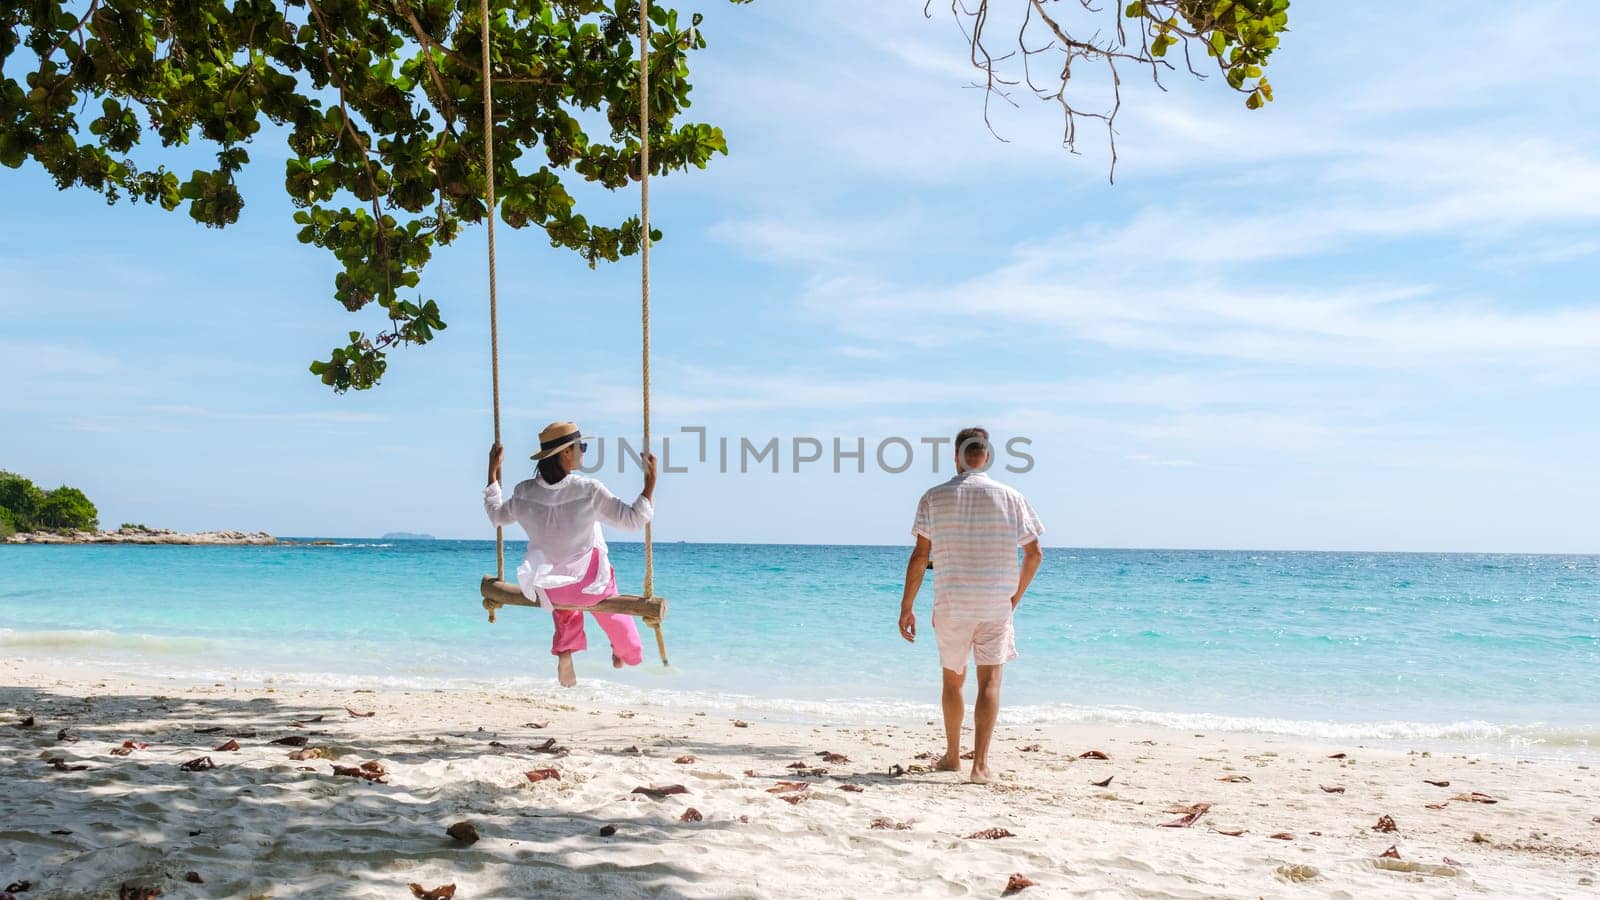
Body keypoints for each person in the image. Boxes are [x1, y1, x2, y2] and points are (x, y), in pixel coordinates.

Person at [898, 426, 1044, 784]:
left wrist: (907, 606)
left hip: (951, 602)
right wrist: (1015, 597)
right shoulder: (1012, 496)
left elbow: (920, 556)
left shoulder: (934, 497)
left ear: (956, 457)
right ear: (987, 457)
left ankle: (951, 756)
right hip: (995, 603)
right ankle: (980, 765)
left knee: (952, 682)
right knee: (990, 681)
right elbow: (1034, 554)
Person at [485, 421, 657, 687]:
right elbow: (633, 521)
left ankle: (565, 649)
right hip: (589, 586)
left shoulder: (523, 492)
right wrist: (650, 483)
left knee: (561, 585)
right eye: (582, 447)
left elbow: (496, 515)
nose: (584, 452)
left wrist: (492, 472)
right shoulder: (589, 490)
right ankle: (625, 652)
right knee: (610, 603)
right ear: (566, 453)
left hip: (550, 590)